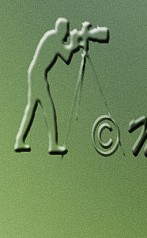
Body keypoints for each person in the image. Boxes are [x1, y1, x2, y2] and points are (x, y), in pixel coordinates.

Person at [16, 19, 79, 155]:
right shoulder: (54, 39)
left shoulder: (51, 37)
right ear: (61, 29)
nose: (67, 33)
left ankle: (20, 140)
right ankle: (52, 145)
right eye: (66, 30)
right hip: (38, 76)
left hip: (36, 74)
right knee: (47, 110)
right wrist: (74, 42)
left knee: (31, 109)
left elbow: (65, 51)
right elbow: (67, 56)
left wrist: (72, 43)